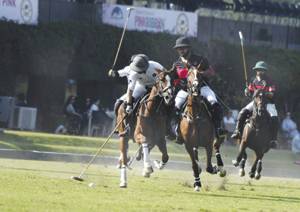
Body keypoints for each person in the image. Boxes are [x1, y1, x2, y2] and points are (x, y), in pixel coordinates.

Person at [167, 36, 227, 141]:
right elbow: (172, 77)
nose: (181, 50)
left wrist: (200, 73)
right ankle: (176, 130)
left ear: (188, 48)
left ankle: (218, 128)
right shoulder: (177, 64)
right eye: (179, 48)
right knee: (175, 107)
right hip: (186, 90)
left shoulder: (200, 59)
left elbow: (211, 72)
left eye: (183, 48)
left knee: (214, 102)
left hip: (202, 88)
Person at [231, 61, 278, 148]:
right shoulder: (253, 80)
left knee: (274, 118)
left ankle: (273, 140)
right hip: (256, 102)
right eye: (259, 69)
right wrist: (247, 92)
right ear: (256, 70)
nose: (260, 71)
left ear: (265, 71)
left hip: (268, 103)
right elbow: (250, 92)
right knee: (242, 112)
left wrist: (263, 93)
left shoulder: (270, 80)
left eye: (262, 70)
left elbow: (272, 93)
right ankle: (237, 131)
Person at [108, 54, 166, 124]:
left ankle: (171, 123)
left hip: (157, 87)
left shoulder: (155, 65)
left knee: (169, 100)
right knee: (127, 103)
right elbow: (130, 90)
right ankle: (128, 124)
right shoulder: (133, 72)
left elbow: (166, 74)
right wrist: (129, 105)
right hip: (141, 87)